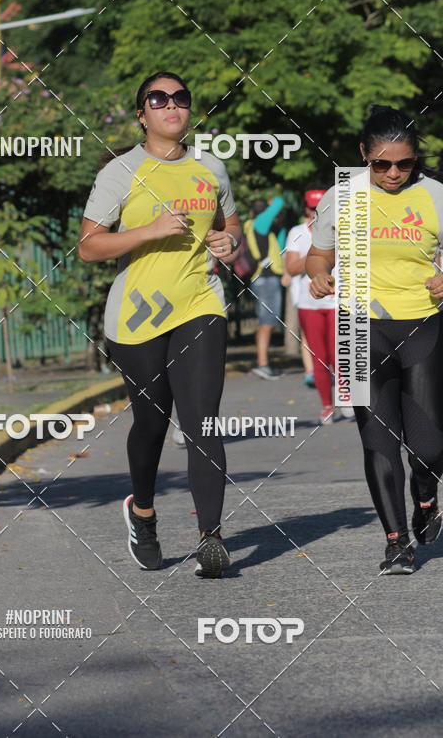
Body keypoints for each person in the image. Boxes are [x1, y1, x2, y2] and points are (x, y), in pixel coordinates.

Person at [78, 71, 242, 578]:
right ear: (142, 114)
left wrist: (229, 242)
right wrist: (148, 230)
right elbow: (88, 247)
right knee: (151, 423)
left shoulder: (211, 167)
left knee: (202, 420)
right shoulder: (122, 172)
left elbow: (230, 224)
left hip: (199, 302)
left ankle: (210, 537)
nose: (172, 105)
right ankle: (143, 513)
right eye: (158, 98)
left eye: (180, 98)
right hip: (137, 315)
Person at [307, 104, 443, 574]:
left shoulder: (435, 195)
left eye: (404, 163)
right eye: (382, 164)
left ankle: (425, 495)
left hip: (422, 325)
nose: (393, 173)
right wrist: (319, 275)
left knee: (429, 447)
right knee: (377, 440)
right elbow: (318, 255)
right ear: (363, 153)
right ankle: (397, 543)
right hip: (359, 329)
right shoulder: (341, 195)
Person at [285, 187, 354, 425]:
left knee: (339, 352)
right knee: (319, 357)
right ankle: (327, 406)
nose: (316, 212)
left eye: (321, 208)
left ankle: (346, 396)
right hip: (309, 302)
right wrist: (319, 255)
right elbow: (291, 267)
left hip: (339, 300)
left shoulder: (344, 227)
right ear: (305, 209)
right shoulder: (297, 232)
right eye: (312, 208)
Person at [245, 197, 286, 379]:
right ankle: (263, 364)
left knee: (266, 322)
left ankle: (263, 363)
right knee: (267, 322)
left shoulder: (262, 230)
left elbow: (281, 248)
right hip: (266, 280)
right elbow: (279, 201)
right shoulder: (260, 223)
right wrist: (272, 203)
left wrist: (280, 226)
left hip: (264, 279)